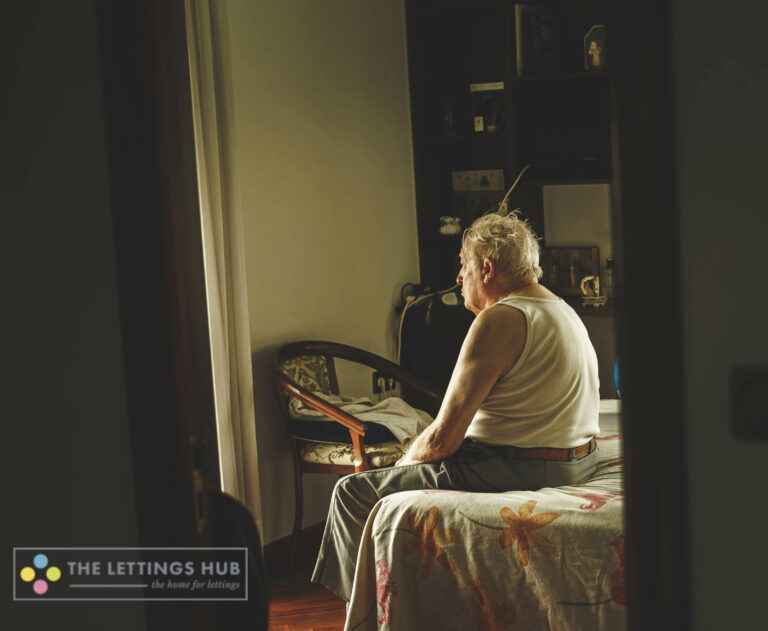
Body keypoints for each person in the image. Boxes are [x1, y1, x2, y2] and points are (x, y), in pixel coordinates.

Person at [311, 211, 600, 601]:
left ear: (487, 268)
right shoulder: (562, 309)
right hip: (578, 461)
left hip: (516, 465)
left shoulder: (501, 318)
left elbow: (444, 440)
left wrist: (403, 463)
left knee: (350, 492)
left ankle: (360, 613)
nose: (458, 279)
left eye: (463, 266)